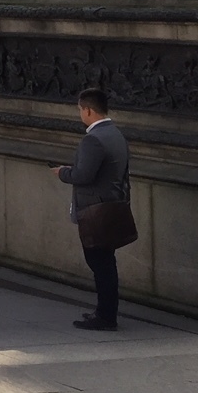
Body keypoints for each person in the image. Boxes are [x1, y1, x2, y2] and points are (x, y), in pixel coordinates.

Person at [53, 87, 131, 331]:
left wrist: (62, 173)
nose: (80, 115)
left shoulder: (93, 139)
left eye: (80, 110)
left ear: (87, 110)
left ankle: (106, 316)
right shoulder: (115, 134)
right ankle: (104, 311)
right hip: (112, 204)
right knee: (105, 261)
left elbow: (83, 175)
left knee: (100, 263)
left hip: (95, 210)